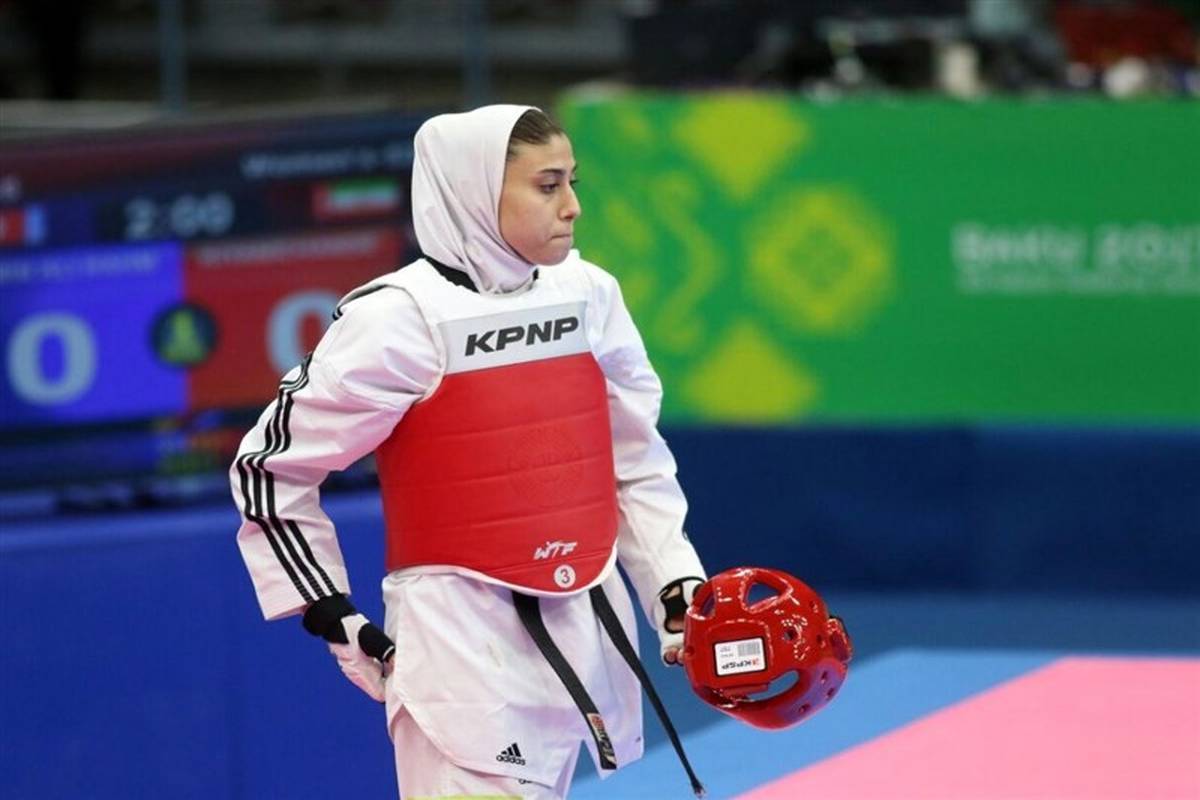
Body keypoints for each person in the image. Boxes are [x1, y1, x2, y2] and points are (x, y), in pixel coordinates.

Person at [231, 104, 708, 800]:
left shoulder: (589, 294)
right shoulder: (398, 318)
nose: (572, 207)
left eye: (573, 182)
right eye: (547, 186)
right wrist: (330, 610)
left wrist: (674, 582)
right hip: (459, 647)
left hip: (582, 626)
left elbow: (631, 459)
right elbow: (270, 469)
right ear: (473, 191)